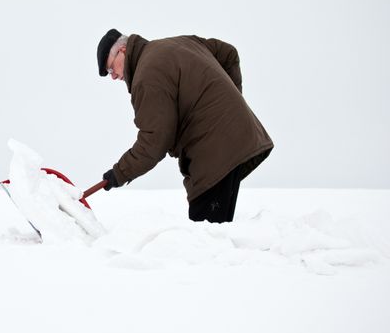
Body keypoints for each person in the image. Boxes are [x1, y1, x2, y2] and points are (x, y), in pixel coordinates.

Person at [97, 29, 274, 223]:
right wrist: (229, 105)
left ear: (122, 50)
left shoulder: (146, 77)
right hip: (234, 139)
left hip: (214, 153)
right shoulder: (176, 43)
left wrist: (119, 173)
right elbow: (228, 53)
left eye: (111, 69)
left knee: (206, 237)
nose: (113, 77)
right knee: (216, 237)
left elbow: (154, 141)